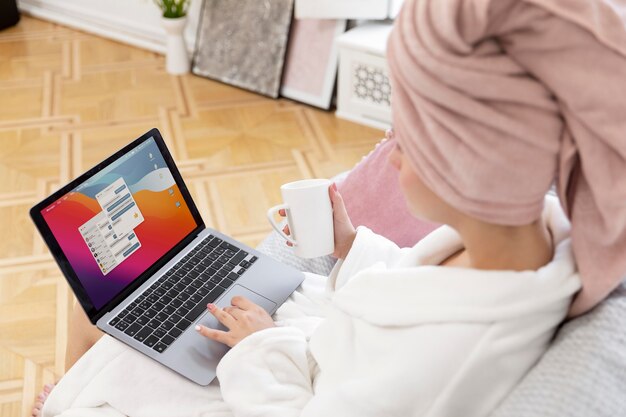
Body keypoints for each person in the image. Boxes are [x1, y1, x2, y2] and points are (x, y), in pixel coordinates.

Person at [34, 0, 626, 416]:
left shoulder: (452, 355)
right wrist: (352, 247)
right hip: (306, 345)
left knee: (99, 316)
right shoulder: (526, 243)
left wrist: (259, 346)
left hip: (275, 380)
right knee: (126, 300)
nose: (389, 155)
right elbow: (409, 287)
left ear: (467, 164)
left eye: (406, 139)